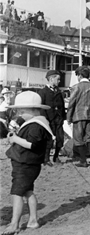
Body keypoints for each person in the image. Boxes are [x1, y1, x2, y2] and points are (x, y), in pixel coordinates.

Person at [3, 91, 54, 235]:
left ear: (30, 110)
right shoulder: (37, 123)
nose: (19, 114)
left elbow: (33, 144)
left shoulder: (35, 126)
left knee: (17, 193)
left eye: (21, 111)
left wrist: (15, 139)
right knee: (27, 191)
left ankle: (14, 224)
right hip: (27, 164)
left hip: (25, 164)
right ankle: (33, 220)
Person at [67, 66, 90, 168]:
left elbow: (71, 104)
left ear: (80, 76)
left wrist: (69, 118)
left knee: (79, 139)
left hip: (78, 116)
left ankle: (83, 160)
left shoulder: (75, 87)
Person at [38, 70, 66, 165]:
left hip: (58, 119)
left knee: (60, 139)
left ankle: (56, 156)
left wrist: (63, 117)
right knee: (48, 140)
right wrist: (44, 119)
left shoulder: (59, 92)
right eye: (57, 79)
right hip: (48, 119)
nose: (59, 81)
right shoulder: (43, 92)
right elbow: (41, 107)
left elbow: (62, 106)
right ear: (51, 79)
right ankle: (46, 159)